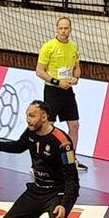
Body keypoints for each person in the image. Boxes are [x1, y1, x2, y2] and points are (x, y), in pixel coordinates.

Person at [35, 16, 88, 171]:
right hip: (53, 90)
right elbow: (39, 71)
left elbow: (77, 67)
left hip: (68, 91)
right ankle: (41, 164)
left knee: (74, 125)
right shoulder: (48, 47)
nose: (64, 31)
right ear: (56, 29)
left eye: (66, 28)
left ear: (70, 30)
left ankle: (71, 160)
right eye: (61, 28)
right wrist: (57, 82)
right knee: (47, 126)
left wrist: (76, 78)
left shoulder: (73, 46)